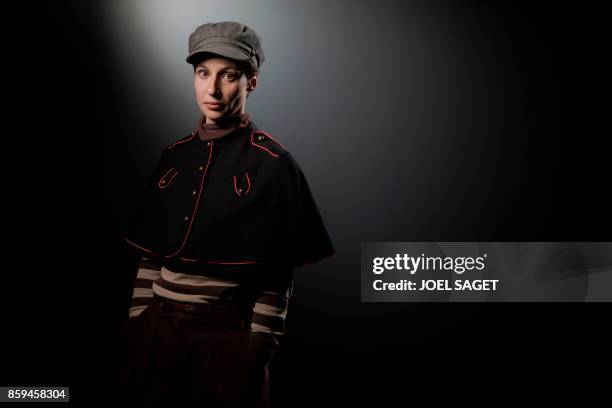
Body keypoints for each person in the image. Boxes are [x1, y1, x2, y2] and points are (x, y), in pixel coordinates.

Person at [117, 21, 335, 407]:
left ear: (252, 82)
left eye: (228, 76)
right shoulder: (174, 155)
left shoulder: (274, 164)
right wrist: (138, 322)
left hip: (223, 340)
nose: (212, 89)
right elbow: (151, 256)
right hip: (154, 334)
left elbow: (277, 276)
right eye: (203, 74)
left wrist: (254, 352)